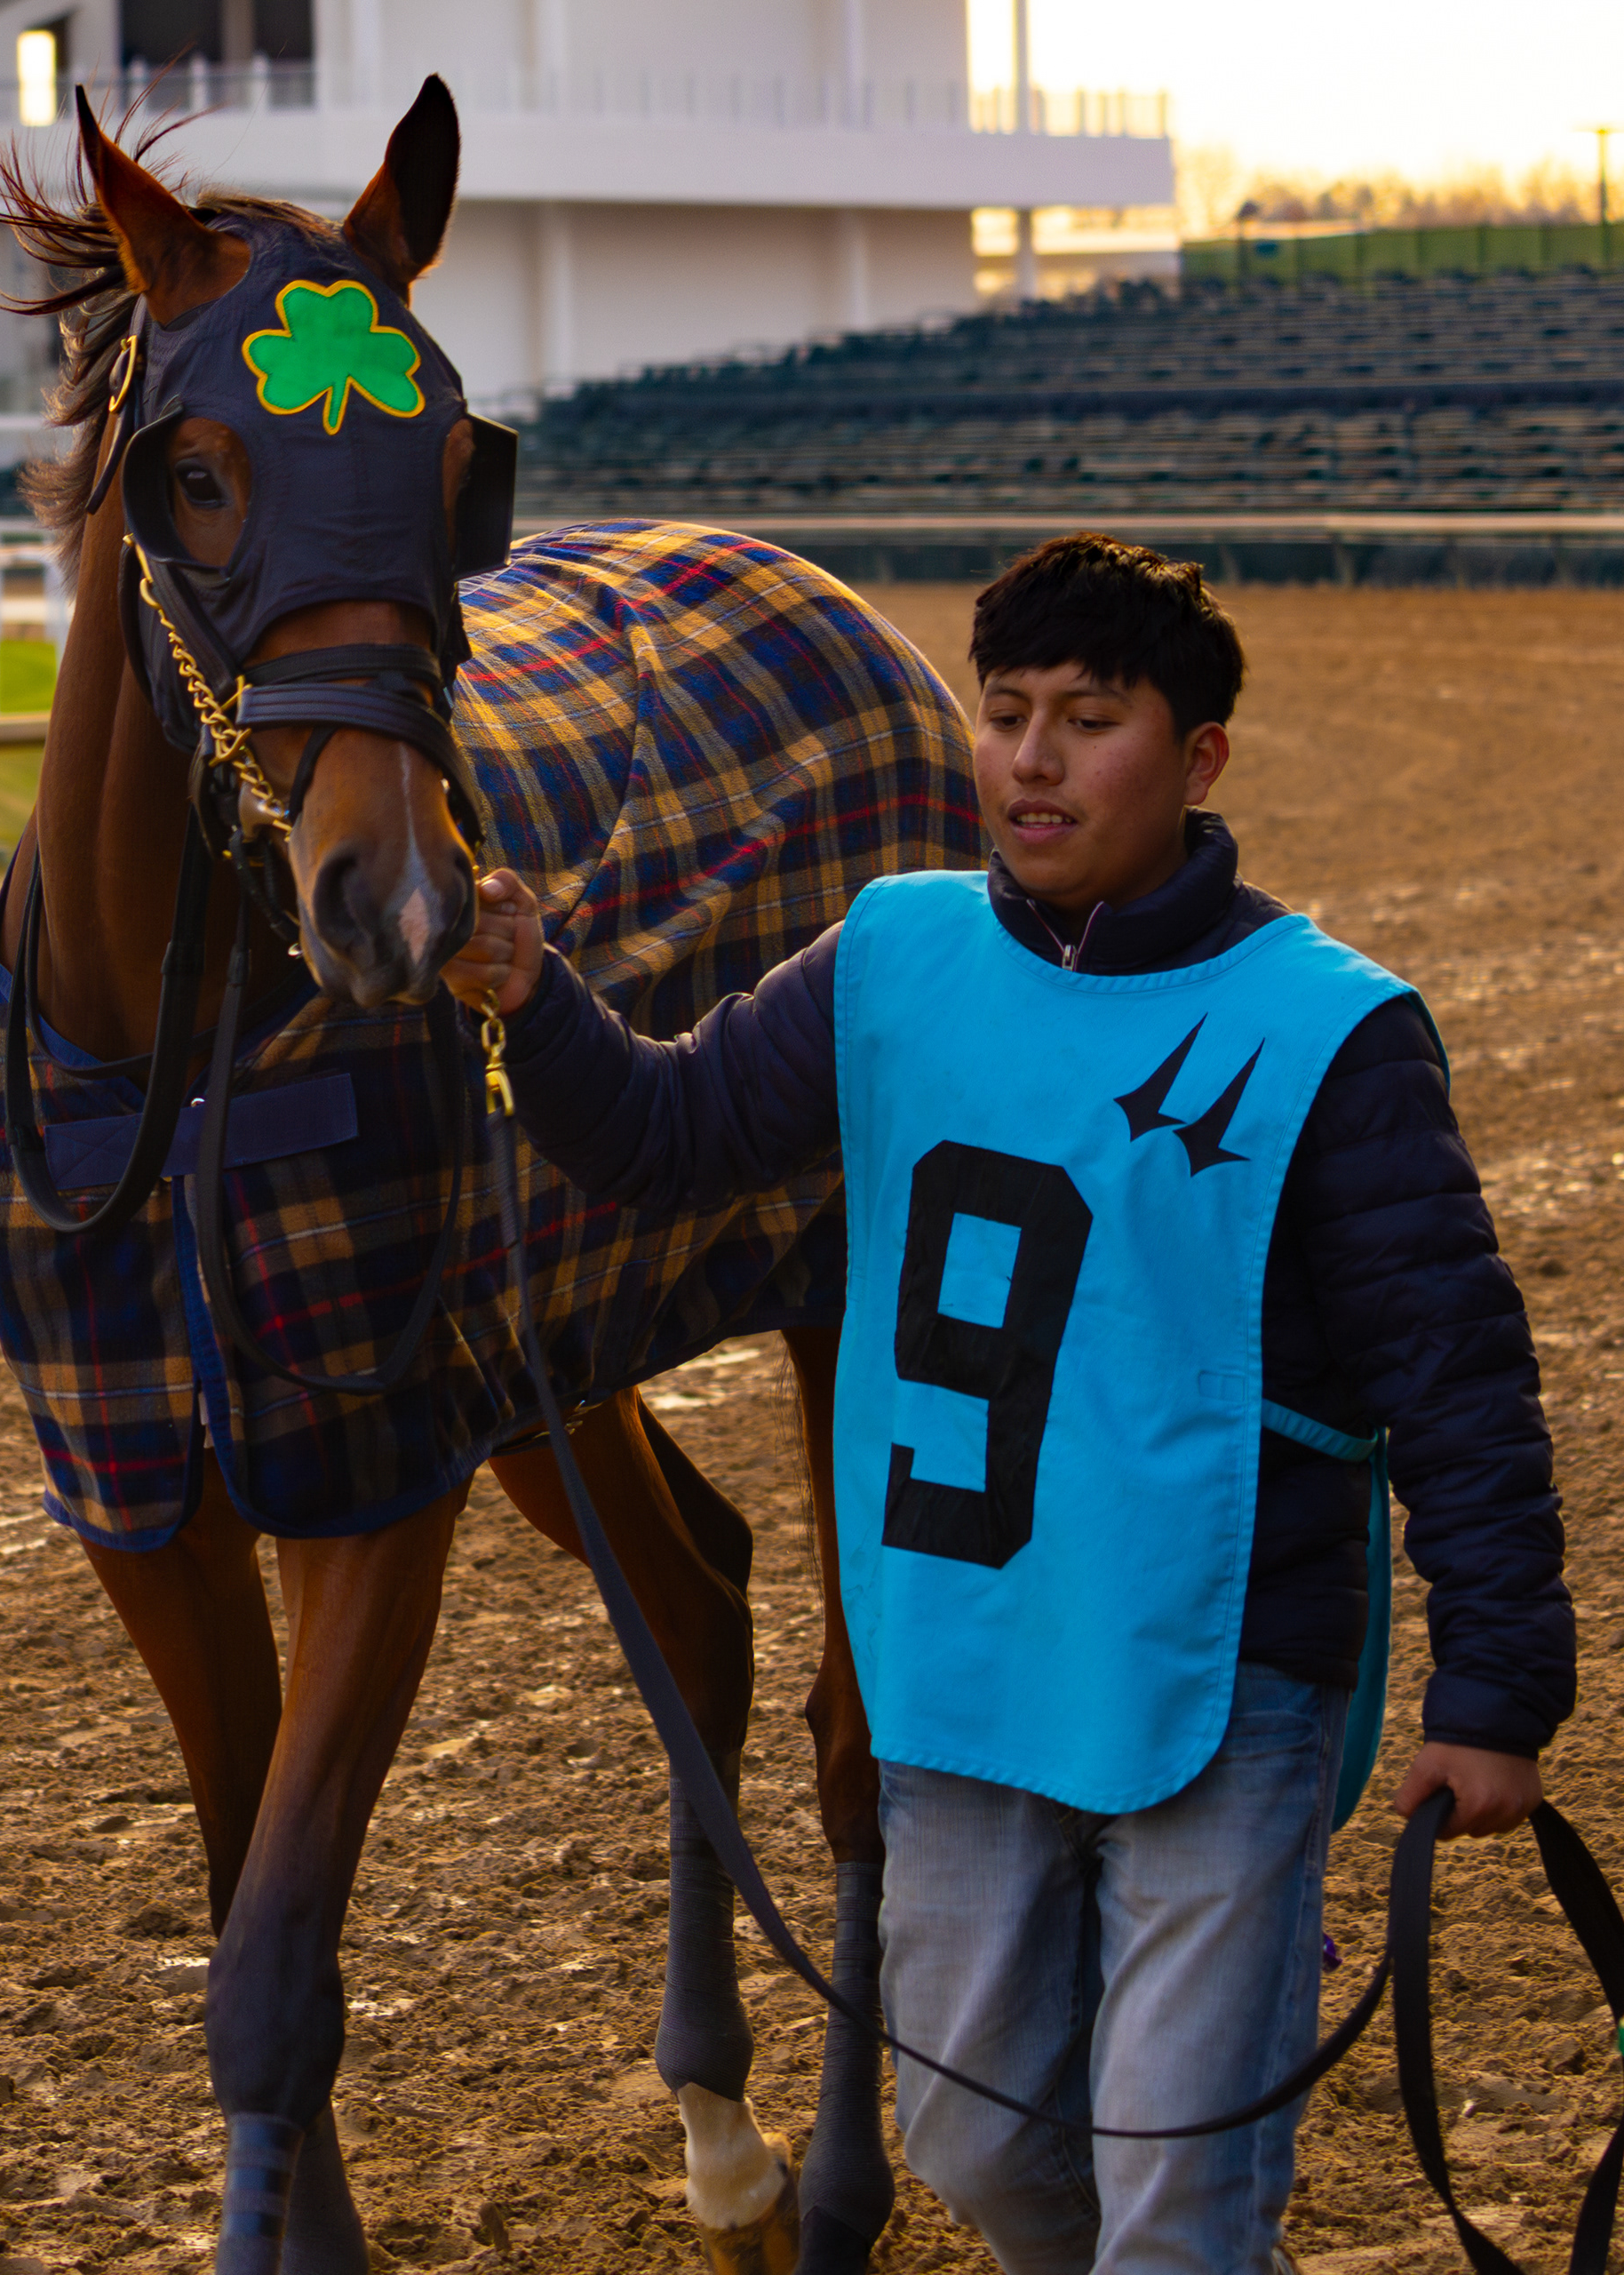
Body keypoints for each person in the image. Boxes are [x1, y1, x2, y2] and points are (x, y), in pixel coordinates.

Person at [446, 532, 1570, 2273]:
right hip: (960, 1664)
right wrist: (538, 997)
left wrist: (1496, 1688)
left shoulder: (1332, 1033)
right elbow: (668, 1137)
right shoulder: (893, 954)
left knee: (1176, 2200)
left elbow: (1463, 1377)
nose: (1033, 758)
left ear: (1197, 757)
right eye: (1010, 712)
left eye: (1090, 718)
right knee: (973, 2144)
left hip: (1226, 1679)